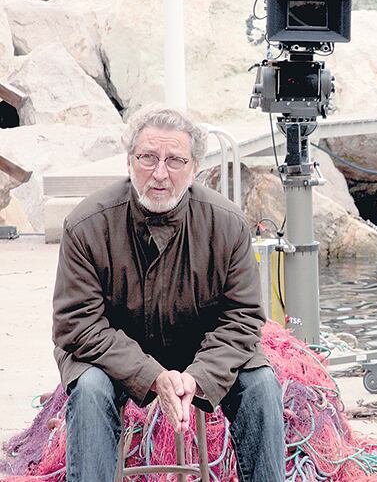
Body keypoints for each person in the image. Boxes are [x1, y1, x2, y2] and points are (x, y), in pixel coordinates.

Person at [51, 106, 284, 481]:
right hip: (110, 353)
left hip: (200, 345)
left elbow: (243, 319)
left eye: (175, 160)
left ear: (195, 170)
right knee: (90, 389)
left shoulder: (228, 224)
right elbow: (76, 325)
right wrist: (151, 374)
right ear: (129, 162)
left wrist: (199, 375)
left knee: (260, 385)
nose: (160, 173)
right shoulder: (86, 223)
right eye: (148, 158)